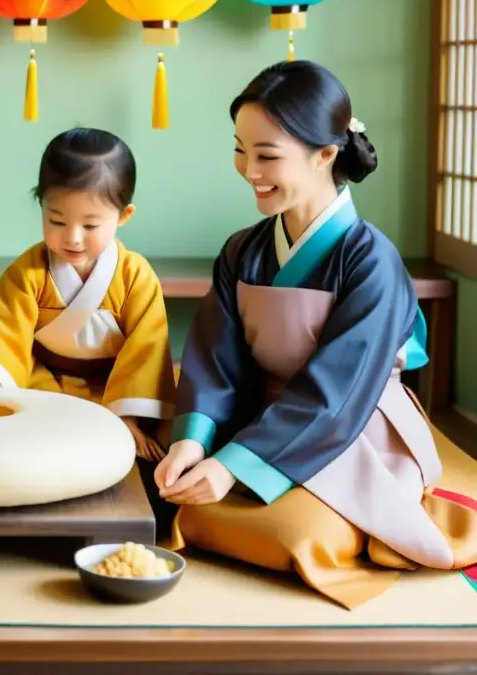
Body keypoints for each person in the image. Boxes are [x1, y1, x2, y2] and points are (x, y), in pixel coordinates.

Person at [155, 60, 477, 609]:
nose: (249, 170)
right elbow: (215, 359)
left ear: (326, 154)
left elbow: (339, 390)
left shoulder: (371, 260)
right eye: (240, 150)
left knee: (297, 538)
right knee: (160, 493)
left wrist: (231, 466)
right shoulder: (243, 249)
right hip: (259, 417)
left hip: (351, 430)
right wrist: (194, 440)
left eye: (267, 156)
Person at [0, 128, 177, 461]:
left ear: (124, 215)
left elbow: (145, 351)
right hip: (43, 384)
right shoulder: (28, 272)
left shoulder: (136, 276)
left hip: (112, 391)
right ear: (41, 206)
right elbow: (3, 335)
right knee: (14, 430)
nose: (73, 238)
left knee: (166, 438)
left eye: (90, 226)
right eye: (56, 220)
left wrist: (127, 416)